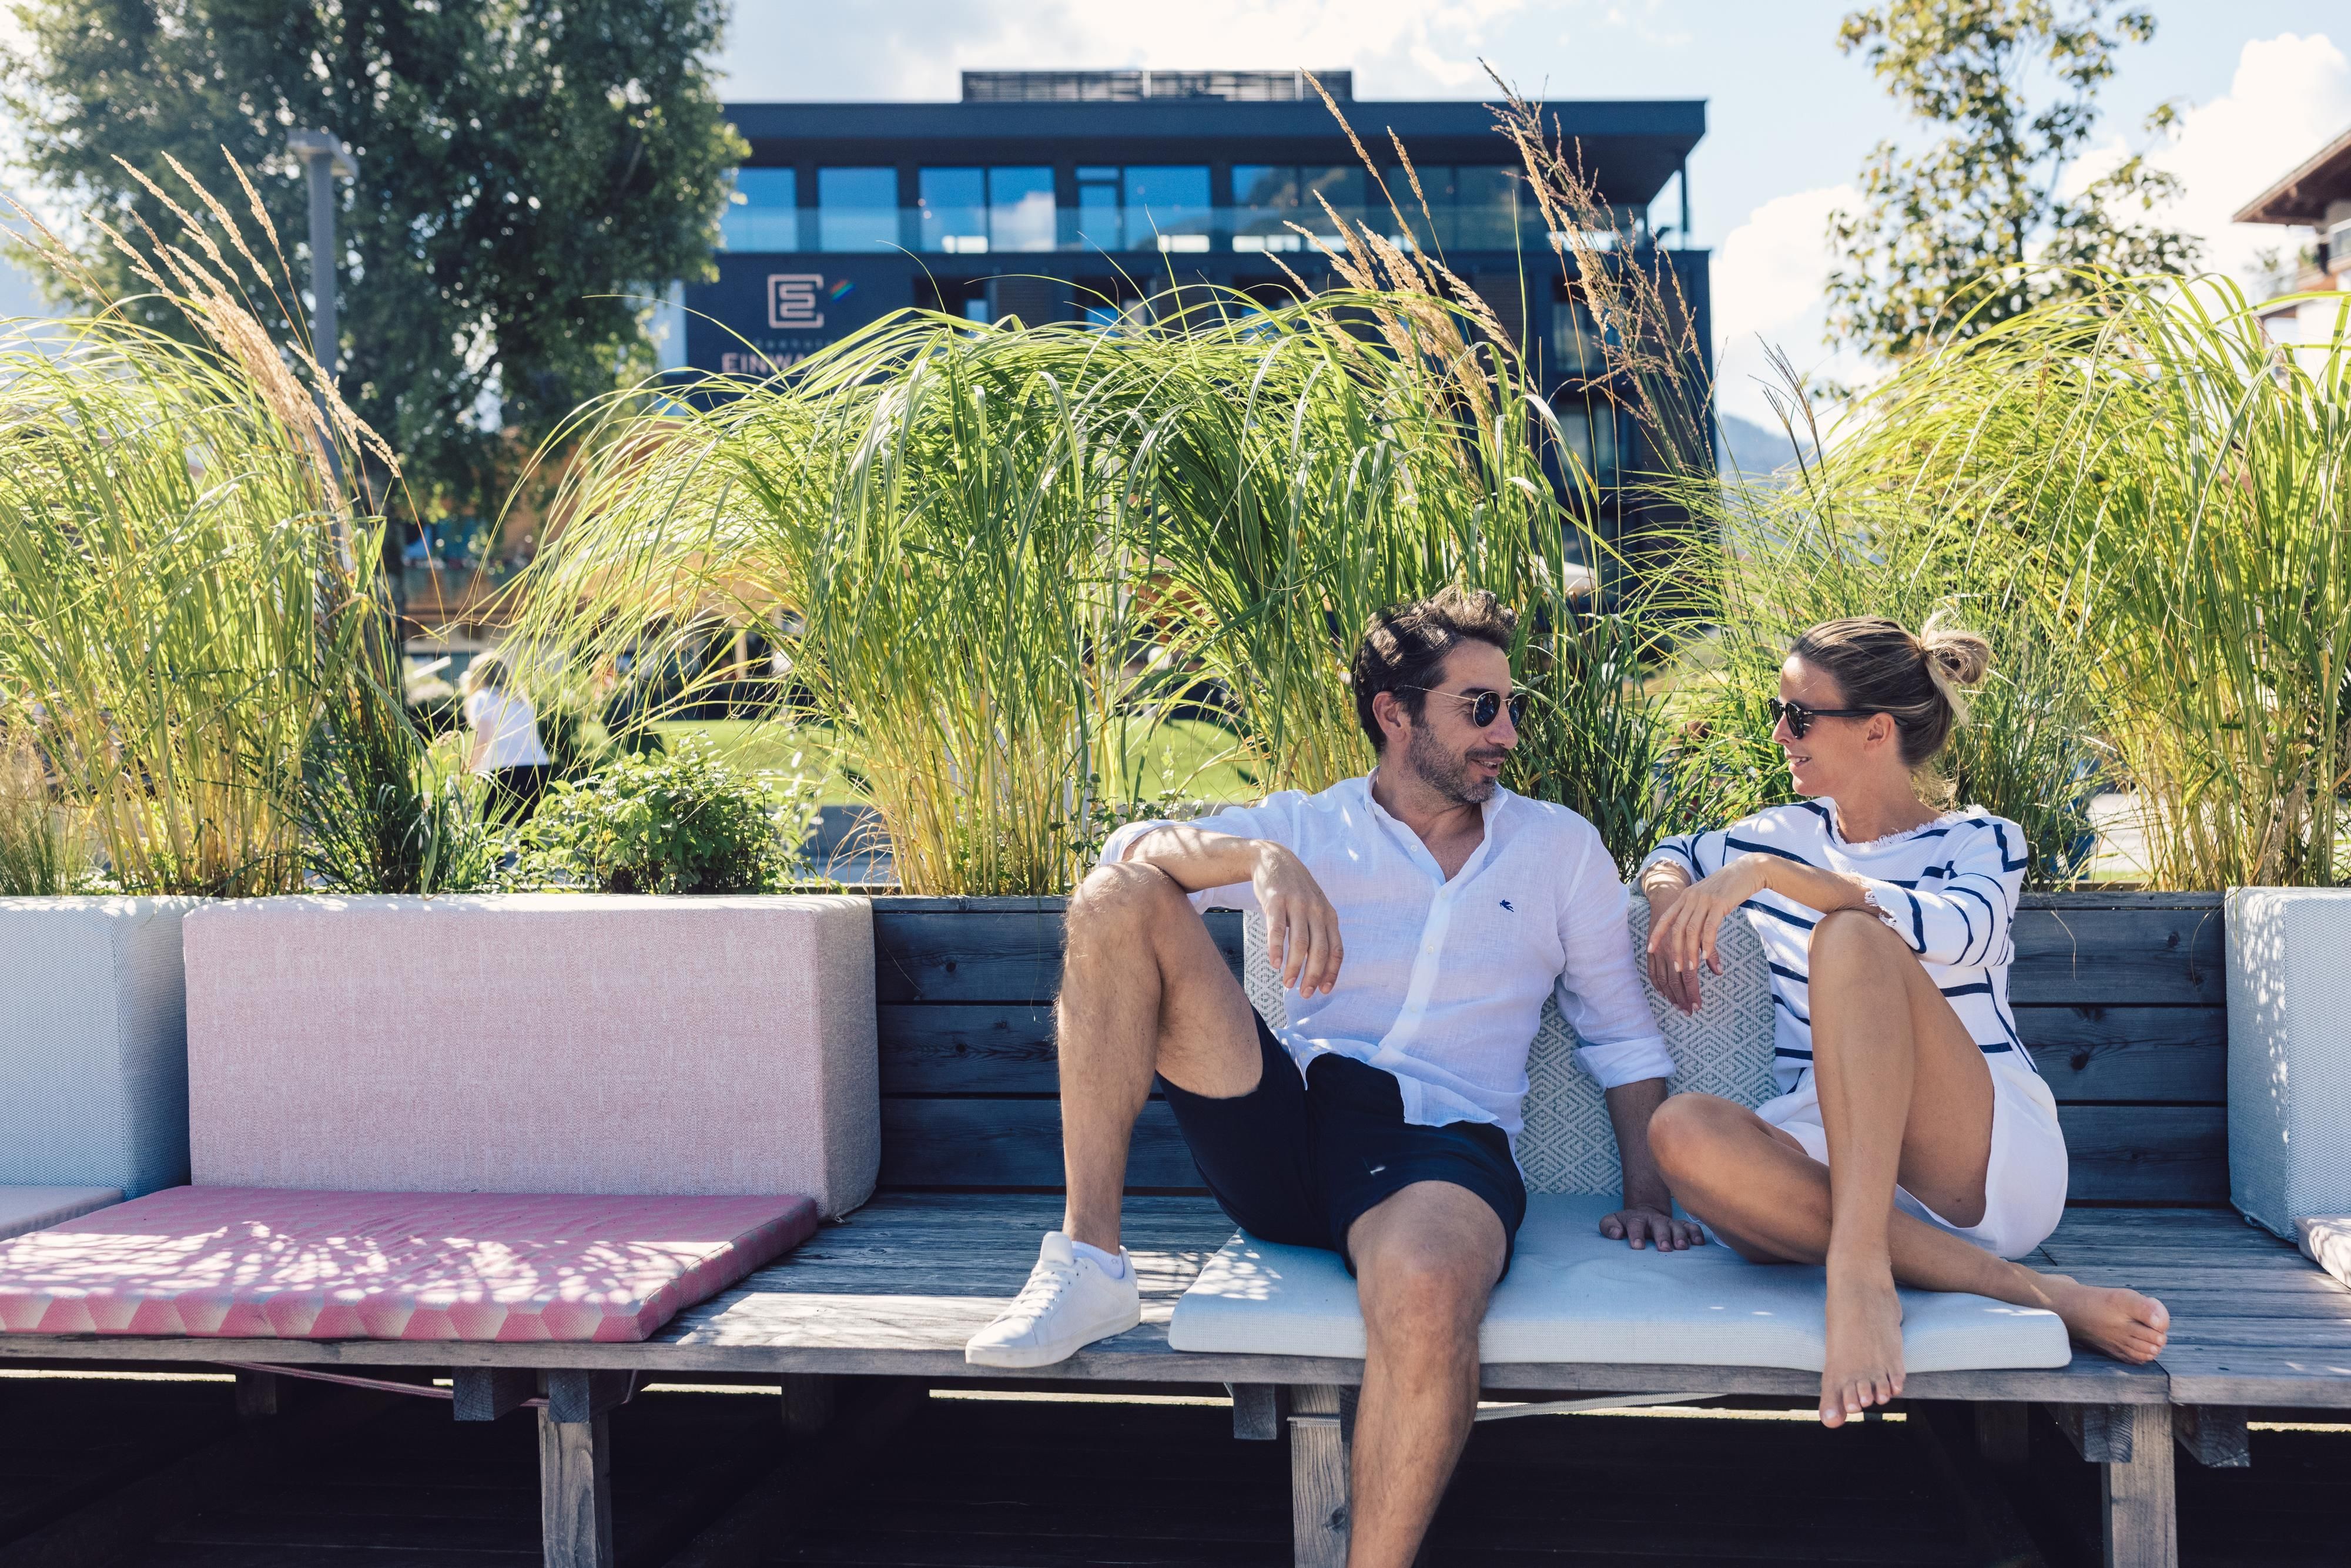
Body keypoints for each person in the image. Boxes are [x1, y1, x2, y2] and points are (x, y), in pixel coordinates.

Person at [964, 586, 1697, 1568]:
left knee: (1433, 1284)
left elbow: (1621, 1031)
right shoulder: (1310, 826)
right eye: (1480, 707)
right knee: (1117, 894)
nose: (1508, 732)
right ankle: (1090, 1259)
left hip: (1439, 1149)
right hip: (1286, 1113)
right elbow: (1120, 855)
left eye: (1512, 704)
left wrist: (1647, 1191)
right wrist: (1259, 856)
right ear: (1396, 712)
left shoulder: (1557, 846)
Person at [1637, 616, 2171, 1429]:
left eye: (1801, 715)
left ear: (1876, 731)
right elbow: (1668, 850)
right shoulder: (1775, 833)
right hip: (1826, 1152)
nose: (1780, 733)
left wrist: (1770, 878)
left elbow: (1958, 931)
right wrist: (1672, 900)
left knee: (1853, 939)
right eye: (1777, 712)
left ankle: (1857, 1275)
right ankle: (2042, 1296)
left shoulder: (1980, 840)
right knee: (1679, 1131)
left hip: (1977, 1156)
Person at [460, 651, 552, 825]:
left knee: (491, 827)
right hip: (536, 765)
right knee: (530, 827)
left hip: (503, 769)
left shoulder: (481, 698)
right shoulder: (520, 699)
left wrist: (469, 768)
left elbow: (484, 739)